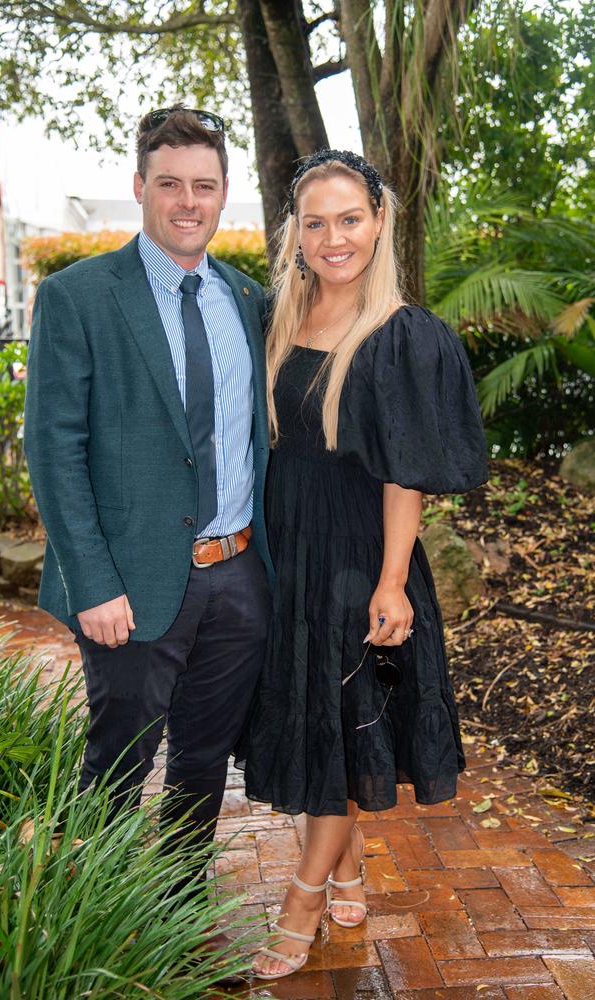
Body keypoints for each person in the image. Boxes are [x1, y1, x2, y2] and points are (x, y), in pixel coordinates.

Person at [236, 149, 489, 980]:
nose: (334, 237)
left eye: (350, 218)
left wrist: (390, 581)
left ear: (379, 222)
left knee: (339, 727)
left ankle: (304, 899)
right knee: (319, 726)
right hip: (288, 553)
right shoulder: (276, 316)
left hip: (359, 563)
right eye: (316, 222)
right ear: (295, 233)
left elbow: (404, 471)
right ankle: (347, 867)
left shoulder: (399, 335)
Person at [24, 106, 272, 862]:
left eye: (204, 184)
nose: (188, 201)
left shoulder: (247, 299)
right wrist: (91, 582)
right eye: (170, 184)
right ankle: (86, 916)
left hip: (237, 575)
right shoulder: (81, 295)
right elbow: (53, 446)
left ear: (225, 192)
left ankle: (178, 914)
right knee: (118, 764)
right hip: (128, 586)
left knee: (202, 765)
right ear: (140, 186)